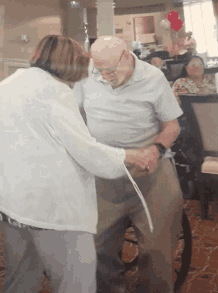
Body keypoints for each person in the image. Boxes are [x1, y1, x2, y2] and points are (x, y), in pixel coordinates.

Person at [0, 35, 152, 293]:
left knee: (21, 278)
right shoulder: (55, 90)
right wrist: (128, 157)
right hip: (52, 209)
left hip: (11, 203)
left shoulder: (9, 83)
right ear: (70, 63)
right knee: (76, 282)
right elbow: (86, 152)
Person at [73, 35, 184, 293]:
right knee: (96, 246)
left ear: (126, 56)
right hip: (104, 173)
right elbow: (75, 114)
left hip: (151, 172)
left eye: (110, 70)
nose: (105, 76)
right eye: (99, 70)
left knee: (158, 251)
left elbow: (172, 126)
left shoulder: (153, 77)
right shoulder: (87, 75)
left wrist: (156, 149)